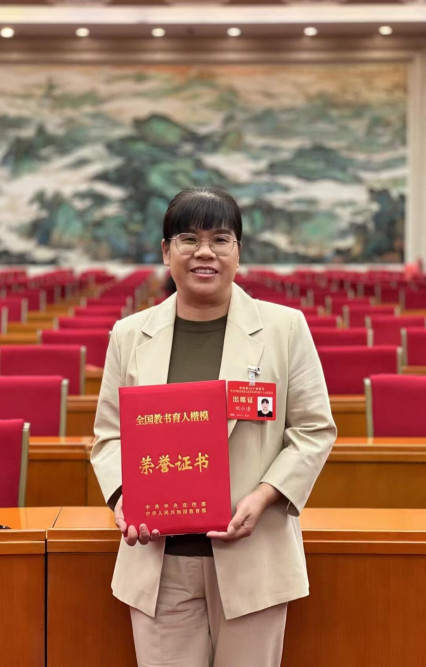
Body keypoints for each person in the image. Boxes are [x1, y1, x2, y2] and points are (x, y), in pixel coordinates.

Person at [92, 187, 336, 667]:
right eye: (189, 239)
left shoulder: (284, 329)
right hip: (159, 562)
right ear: (166, 252)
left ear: (238, 253)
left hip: (253, 556)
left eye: (220, 239)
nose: (205, 252)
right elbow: (109, 436)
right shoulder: (130, 335)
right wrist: (124, 498)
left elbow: (313, 430)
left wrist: (264, 495)